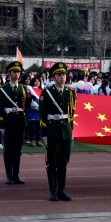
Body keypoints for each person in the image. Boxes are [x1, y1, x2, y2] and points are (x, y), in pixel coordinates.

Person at [39, 62, 77, 201]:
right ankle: (53, 191)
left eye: (64, 75)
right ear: (54, 77)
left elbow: (72, 113)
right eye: (59, 75)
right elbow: (42, 114)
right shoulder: (47, 92)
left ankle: (61, 190)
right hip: (52, 130)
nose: (62, 77)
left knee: (63, 162)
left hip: (65, 131)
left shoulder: (71, 92)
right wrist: (43, 134)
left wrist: (71, 132)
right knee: (52, 163)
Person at [0, 61, 29, 184]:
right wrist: (1, 125)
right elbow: (0, 109)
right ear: (9, 73)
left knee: (17, 150)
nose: (16, 74)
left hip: (20, 122)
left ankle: (16, 175)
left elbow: (26, 106)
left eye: (18, 72)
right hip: (8, 121)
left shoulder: (23, 88)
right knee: (8, 150)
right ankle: (9, 175)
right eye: (14, 72)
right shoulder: (3, 89)